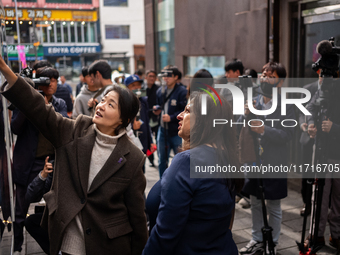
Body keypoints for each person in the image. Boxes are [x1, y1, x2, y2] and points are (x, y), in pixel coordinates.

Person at [0, 56, 148, 255]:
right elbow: (38, 110)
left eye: (111, 105)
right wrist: (3, 68)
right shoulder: (76, 130)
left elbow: (137, 215)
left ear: (124, 120)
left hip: (108, 246)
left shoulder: (134, 157)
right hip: (67, 242)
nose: (101, 106)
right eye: (103, 100)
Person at [143, 92, 243, 255]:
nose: (180, 116)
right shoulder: (225, 157)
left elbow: (166, 233)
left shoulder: (186, 162)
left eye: (188, 111)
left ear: (206, 120)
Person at [239, 62, 295, 255]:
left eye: (270, 74)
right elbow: (239, 125)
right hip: (253, 159)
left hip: (275, 160)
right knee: (254, 201)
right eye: (263, 74)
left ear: (279, 80)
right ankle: (256, 239)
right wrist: (246, 113)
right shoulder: (253, 100)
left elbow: (288, 134)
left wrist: (265, 130)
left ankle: (274, 242)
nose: (264, 77)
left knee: (274, 204)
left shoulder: (287, 103)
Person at [11, 67, 68, 253]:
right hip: (27, 162)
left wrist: (45, 108)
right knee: (20, 208)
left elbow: (63, 129)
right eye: (47, 80)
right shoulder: (26, 99)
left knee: (51, 207)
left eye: (54, 80)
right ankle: (17, 246)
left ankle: (51, 245)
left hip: (50, 162)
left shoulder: (59, 104)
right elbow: (15, 128)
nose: (51, 84)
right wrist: (31, 105)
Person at [306, 72, 340, 252]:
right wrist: (311, 124)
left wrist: (335, 128)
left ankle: (336, 235)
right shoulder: (322, 90)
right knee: (319, 196)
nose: (322, 78)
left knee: (338, 199)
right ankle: (315, 234)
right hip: (322, 152)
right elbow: (310, 108)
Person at [153, 65, 187, 177]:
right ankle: (162, 182)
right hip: (162, 130)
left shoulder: (182, 91)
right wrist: (157, 109)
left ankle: (179, 181)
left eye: (169, 76)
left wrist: (171, 117)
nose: (166, 78)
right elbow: (160, 105)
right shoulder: (160, 91)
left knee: (180, 160)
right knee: (162, 159)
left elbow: (185, 110)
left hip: (176, 131)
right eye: (164, 76)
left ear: (176, 77)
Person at [124, 74, 155, 172]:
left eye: (138, 85)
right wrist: (132, 127)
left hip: (143, 141)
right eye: (133, 85)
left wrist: (150, 141)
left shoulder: (144, 101)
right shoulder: (124, 102)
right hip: (131, 142)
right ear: (127, 88)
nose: (137, 88)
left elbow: (146, 122)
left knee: (142, 170)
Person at [25, 157, 54, 254]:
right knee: (31, 222)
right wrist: (43, 174)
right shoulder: (54, 164)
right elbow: (31, 196)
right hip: (57, 214)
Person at [145, 70, 159, 167]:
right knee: (149, 141)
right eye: (150, 76)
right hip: (146, 118)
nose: (152, 78)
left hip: (156, 118)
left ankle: (159, 158)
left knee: (158, 140)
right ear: (146, 77)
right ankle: (151, 159)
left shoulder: (158, 89)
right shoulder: (142, 89)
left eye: (153, 76)